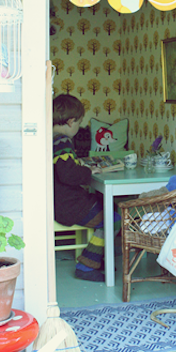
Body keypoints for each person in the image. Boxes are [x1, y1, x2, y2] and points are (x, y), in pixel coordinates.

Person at [53, 93, 119, 282]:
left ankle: (97, 256)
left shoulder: (51, 139)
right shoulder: (62, 141)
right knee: (113, 218)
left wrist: (81, 166)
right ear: (71, 121)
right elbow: (68, 174)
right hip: (69, 206)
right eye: (79, 122)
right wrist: (89, 172)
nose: (79, 127)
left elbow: (63, 167)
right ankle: (87, 265)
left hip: (61, 202)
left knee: (108, 208)